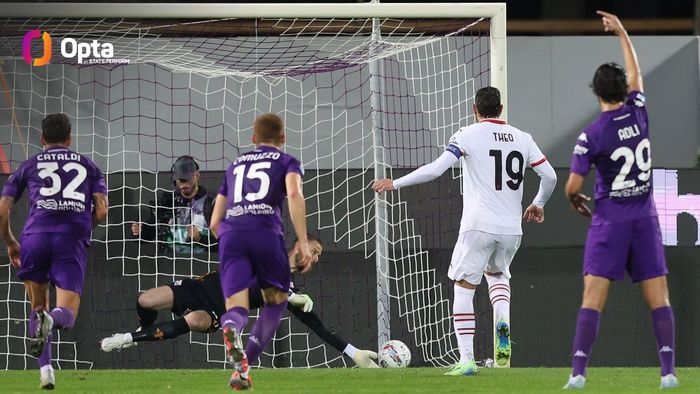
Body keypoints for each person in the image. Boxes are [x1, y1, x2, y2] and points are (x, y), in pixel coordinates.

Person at [373, 86, 557, 376]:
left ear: (475, 109)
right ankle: (503, 334)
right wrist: (538, 203)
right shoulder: (523, 138)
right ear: (500, 108)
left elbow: (436, 169)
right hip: (511, 229)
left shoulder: (467, 134)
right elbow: (550, 175)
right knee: (497, 276)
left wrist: (394, 184)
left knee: (463, 287)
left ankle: (467, 360)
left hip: (478, 226)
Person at [563, 11, 678, 390]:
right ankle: (668, 374)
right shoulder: (639, 113)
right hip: (645, 219)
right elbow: (638, 77)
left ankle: (579, 375)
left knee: (592, 299)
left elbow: (573, 185)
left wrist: (575, 200)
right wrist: (623, 32)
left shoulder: (591, 134)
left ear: (596, 93)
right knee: (658, 298)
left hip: (609, 221)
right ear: (624, 91)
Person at [99, 235, 380, 368]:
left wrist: (353, 352)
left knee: (194, 321)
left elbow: (316, 325)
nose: (316, 258)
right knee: (144, 300)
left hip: (215, 310)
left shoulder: (289, 289)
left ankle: (129, 338)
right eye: (314, 250)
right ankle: (139, 332)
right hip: (198, 288)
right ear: (299, 245)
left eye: (319, 255)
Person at [0, 113, 108, 389]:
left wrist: (11, 241)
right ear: (70, 139)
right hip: (70, 238)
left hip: (34, 237)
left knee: (37, 308)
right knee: (66, 316)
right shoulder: (88, 165)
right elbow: (102, 210)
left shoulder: (30, 163)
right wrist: (84, 227)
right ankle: (51, 320)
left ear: (42, 139)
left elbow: (4, 206)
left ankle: (46, 371)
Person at [210, 113, 314, 390]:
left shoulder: (235, 166)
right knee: (277, 300)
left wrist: (233, 243)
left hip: (231, 235)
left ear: (253, 139)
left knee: (237, 307)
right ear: (283, 138)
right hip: (265, 233)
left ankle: (231, 327)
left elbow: (213, 222)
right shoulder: (287, 161)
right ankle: (244, 368)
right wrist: (303, 242)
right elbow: (293, 194)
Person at [131, 155, 216, 255]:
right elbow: (149, 234)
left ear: (197, 175)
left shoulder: (212, 202)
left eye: (186, 178)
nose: (182, 183)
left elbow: (224, 242)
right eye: (179, 179)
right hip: (169, 264)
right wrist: (140, 232)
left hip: (202, 262)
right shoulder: (167, 202)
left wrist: (200, 238)